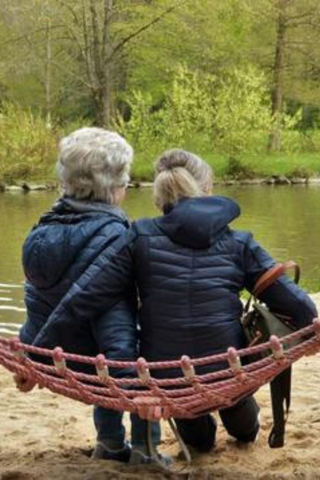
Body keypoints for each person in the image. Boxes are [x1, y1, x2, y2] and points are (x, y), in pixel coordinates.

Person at [32, 149, 318, 453]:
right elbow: (300, 307)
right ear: (207, 190)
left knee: (200, 441)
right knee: (241, 417)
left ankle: (207, 424)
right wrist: (307, 335)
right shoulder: (239, 242)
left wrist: (36, 355)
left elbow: (85, 297)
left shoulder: (138, 236)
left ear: (160, 196)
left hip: (168, 380)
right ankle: (242, 421)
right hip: (229, 370)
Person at [16, 127, 161, 464]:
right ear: (115, 187)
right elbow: (116, 322)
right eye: (125, 180)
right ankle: (146, 450)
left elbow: (39, 302)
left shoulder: (40, 230)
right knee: (146, 349)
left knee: (105, 354)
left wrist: (31, 353)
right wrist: (131, 386)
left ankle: (109, 443)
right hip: (103, 359)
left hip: (61, 354)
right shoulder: (116, 236)